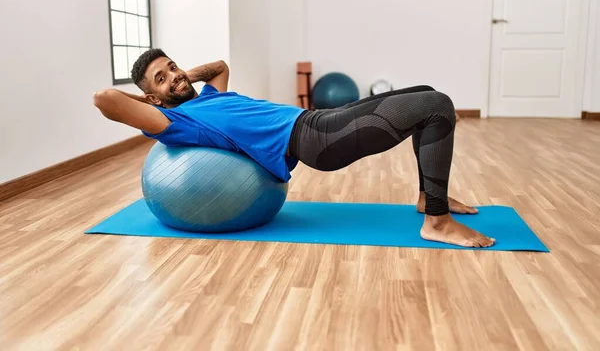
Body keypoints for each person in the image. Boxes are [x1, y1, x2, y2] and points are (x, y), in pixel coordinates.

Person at [94, 49, 495, 248]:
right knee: (437, 105)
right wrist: (152, 101)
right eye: (161, 79)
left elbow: (217, 66)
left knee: (425, 94)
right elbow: (105, 99)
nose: (175, 77)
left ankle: (429, 198)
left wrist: (181, 78)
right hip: (313, 140)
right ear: (154, 99)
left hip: (316, 120)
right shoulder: (177, 123)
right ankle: (437, 223)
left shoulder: (208, 98)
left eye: (172, 67)